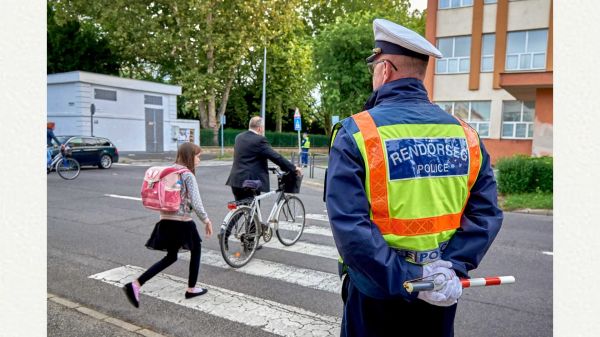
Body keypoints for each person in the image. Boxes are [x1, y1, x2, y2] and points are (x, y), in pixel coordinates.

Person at [325, 19, 503, 337]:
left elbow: (351, 228)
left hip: (377, 293)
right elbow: (486, 213)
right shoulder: (466, 135)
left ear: (385, 69)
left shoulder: (357, 133)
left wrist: (408, 279)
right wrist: (452, 266)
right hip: (441, 290)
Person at [123, 142, 213, 308]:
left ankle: (135, 284)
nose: (199, 159)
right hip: (182, 221)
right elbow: (197, 203)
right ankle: (192, 288)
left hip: (166, 219)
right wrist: (206, 220)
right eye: (197, 156)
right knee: (197, 249)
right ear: (189, 157)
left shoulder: (171, 170)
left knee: (171, 257)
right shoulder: (187, 175)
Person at [225, 116, 300, 201]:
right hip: (250, 182)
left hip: (235, 180)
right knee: (253, 212)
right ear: (260, 128)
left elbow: (247, 156)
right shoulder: (259, 140)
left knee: (241, 209)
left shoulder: (239, 137)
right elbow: (275, 157)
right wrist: (293, 168)